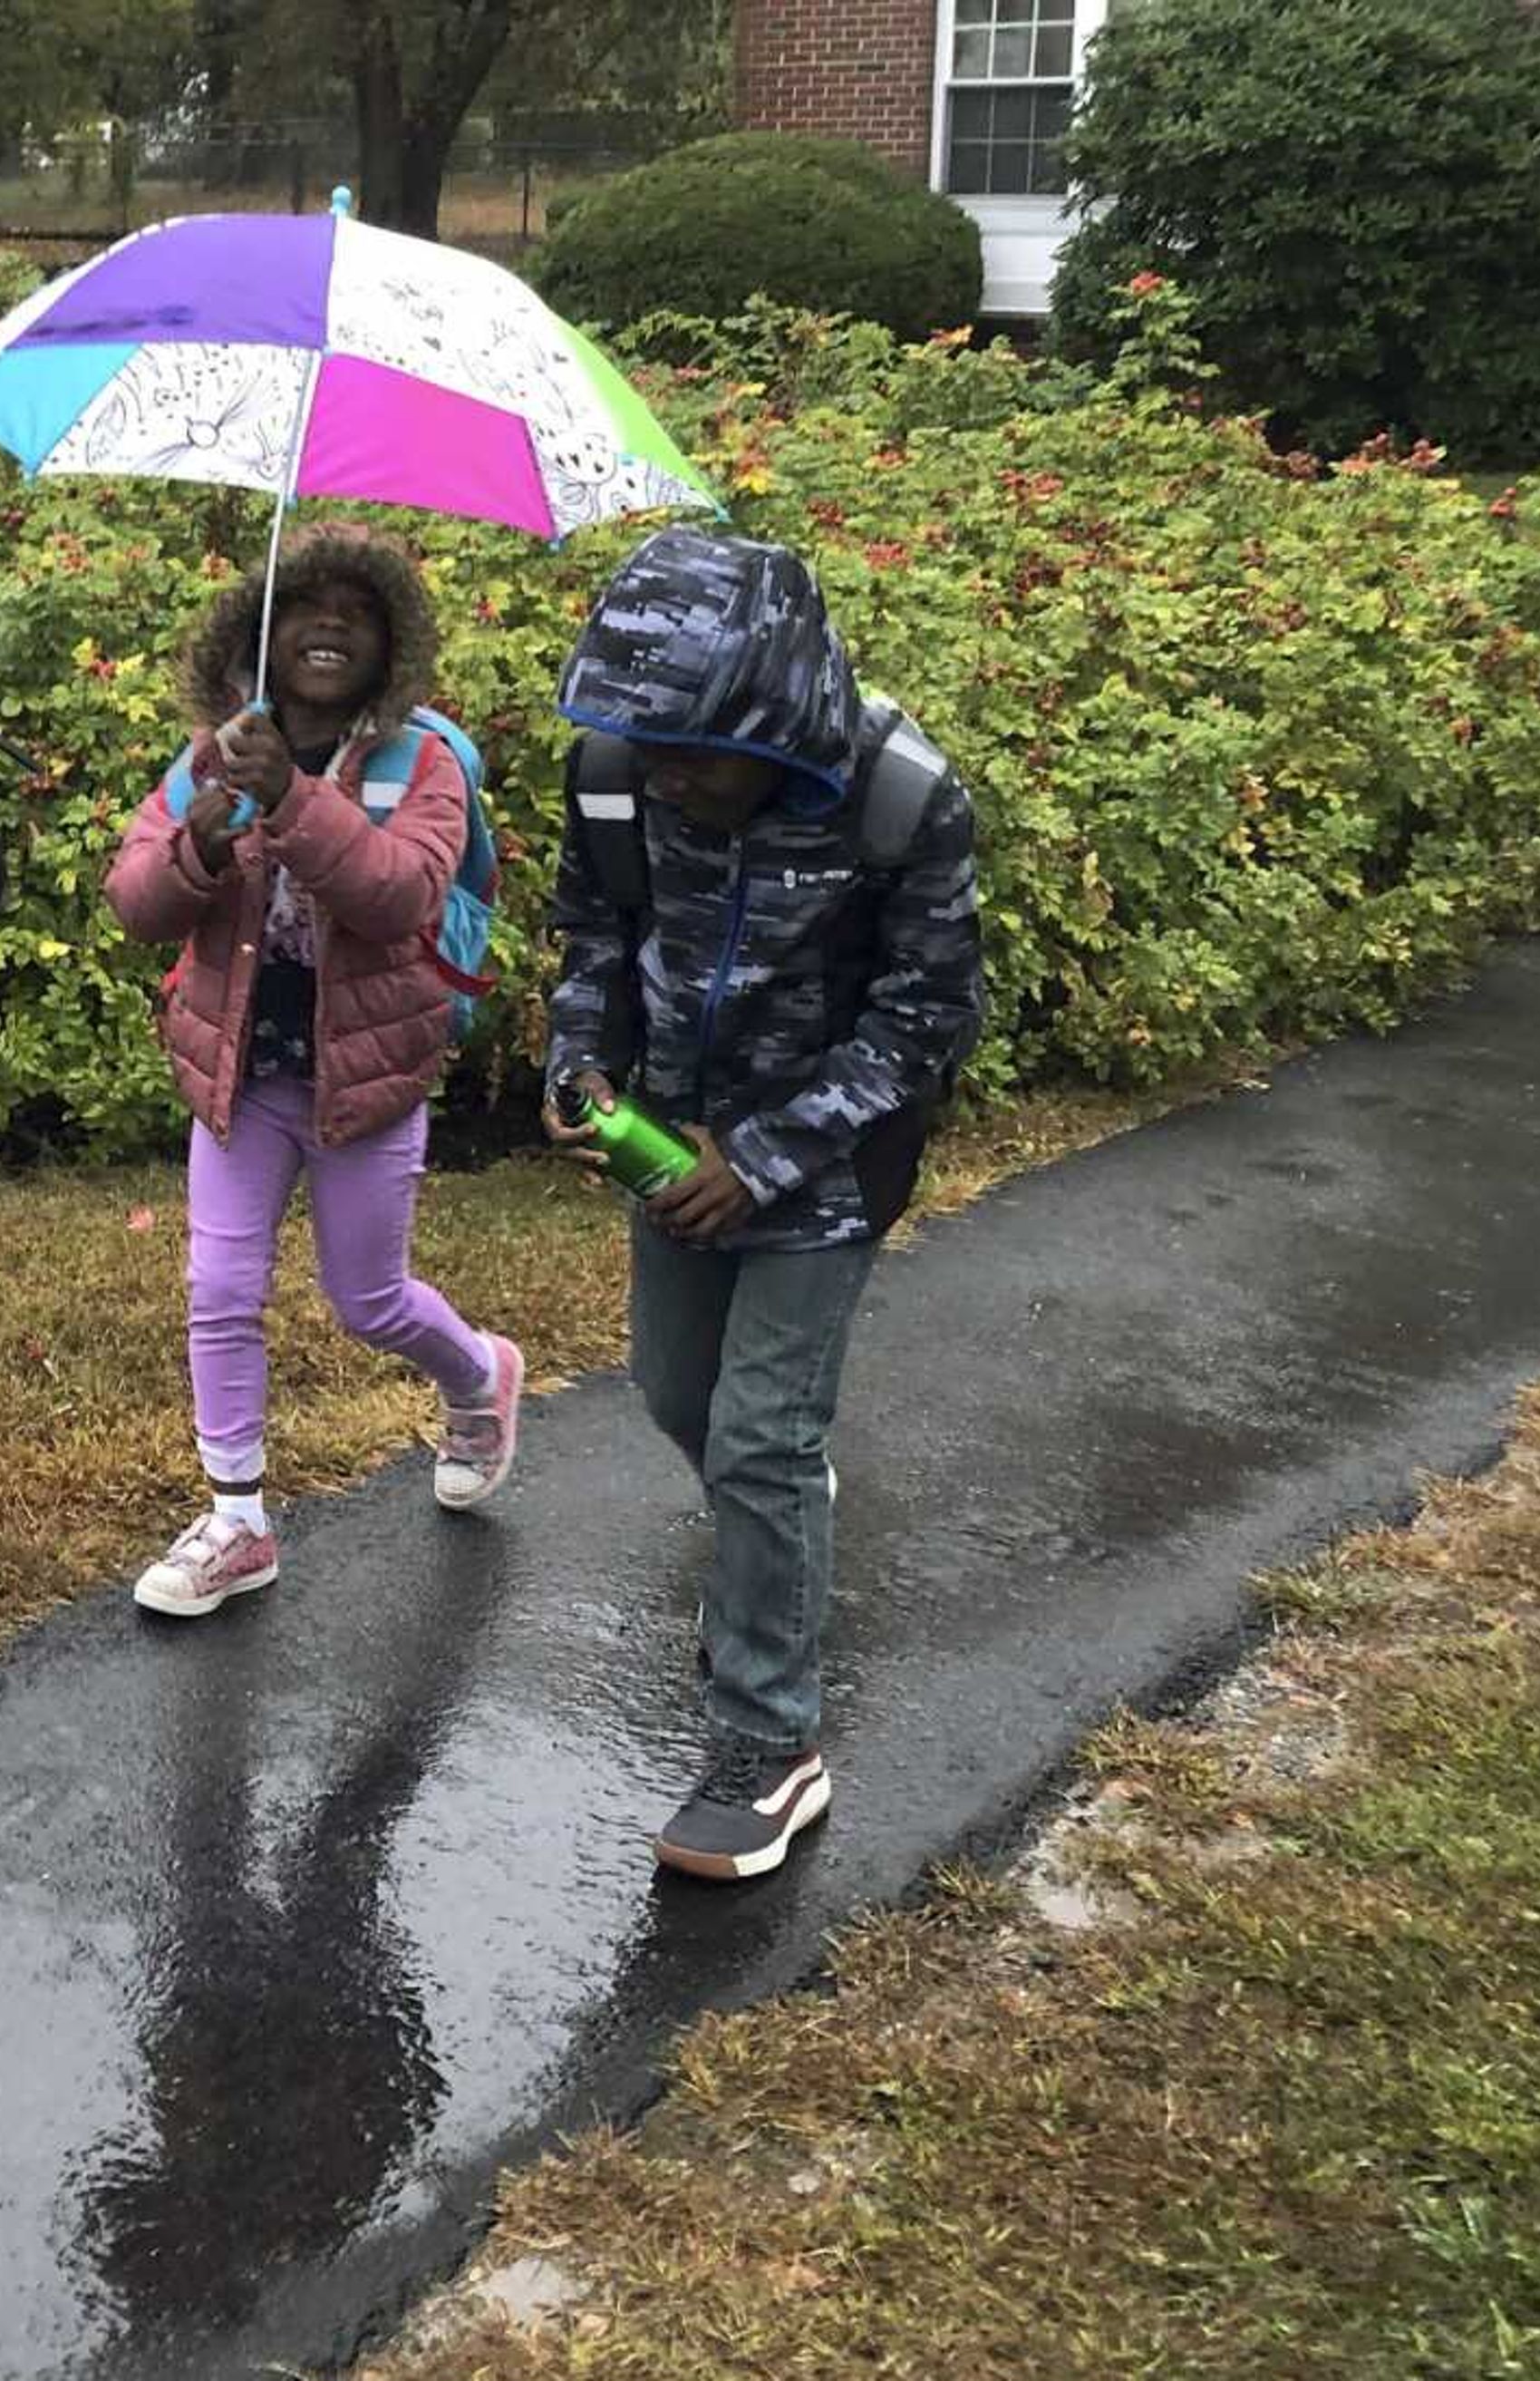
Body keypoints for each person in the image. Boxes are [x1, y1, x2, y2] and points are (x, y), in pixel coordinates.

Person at [542, 526, 985, 1882]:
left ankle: (768, 1745)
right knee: (679, 1393)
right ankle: (770, 1541)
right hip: (669, 1141)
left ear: (778, 719)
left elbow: (927, 1021)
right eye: (649, 745)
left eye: (697, 752)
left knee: (760, 1435)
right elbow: (595, 934)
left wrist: (769, 1153)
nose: (667, 774)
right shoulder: (620, 776)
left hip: (830, 1160)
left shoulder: (901, 803)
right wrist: (580, 1057)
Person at [102, 527, 524, 1619]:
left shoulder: (425, 762)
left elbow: (398, 897)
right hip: (242, 1078)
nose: (328, 625)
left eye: (356, 611)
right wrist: (197, 838)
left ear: (392, 645)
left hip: (367, 1082)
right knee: (221, 1291)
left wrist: (291, 797)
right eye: (304, 606)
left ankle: (479, 1375)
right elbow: (139, 902)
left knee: (367, 1297)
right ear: (259, 634)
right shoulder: (215, 752)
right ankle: (237, 1519)